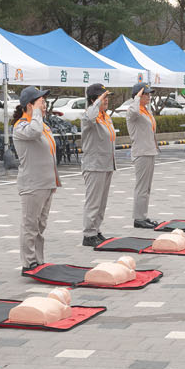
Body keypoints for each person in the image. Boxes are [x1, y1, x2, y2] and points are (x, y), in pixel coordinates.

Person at [13, 87, 59, 271]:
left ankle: (39, 260)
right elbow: (34, 132)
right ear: (29, 105)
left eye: (45, 103)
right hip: (32, 184)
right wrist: (37, 114)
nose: (44, 106)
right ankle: (29, 261)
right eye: (40, 102)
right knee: (30, 224)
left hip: (46, 182)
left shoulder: (41, 124)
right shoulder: (21, 126)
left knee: (40, 225)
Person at [115, 82, 159, 228]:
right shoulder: (133, 111)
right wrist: (136, 98)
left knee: (147, 187)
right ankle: (138, 218)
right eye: (145, 94)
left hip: (149, 151)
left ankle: (143, 215)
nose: (149, 96)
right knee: (141, 187)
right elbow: (133, 111)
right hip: (142, 152)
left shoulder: (145, 110)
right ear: (138, 96)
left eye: (148, 94)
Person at [80, 83, 117, 247]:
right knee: (93, 201)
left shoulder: (105, 116)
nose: (106, 100)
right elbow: (90, 117)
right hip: (94, 165)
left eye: (107, 97)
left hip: (106, 164)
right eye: (103, 98)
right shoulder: (89, 117)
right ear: (93, 100)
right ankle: (88, 234)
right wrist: (96, 103)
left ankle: (96, 229)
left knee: (101, 202)